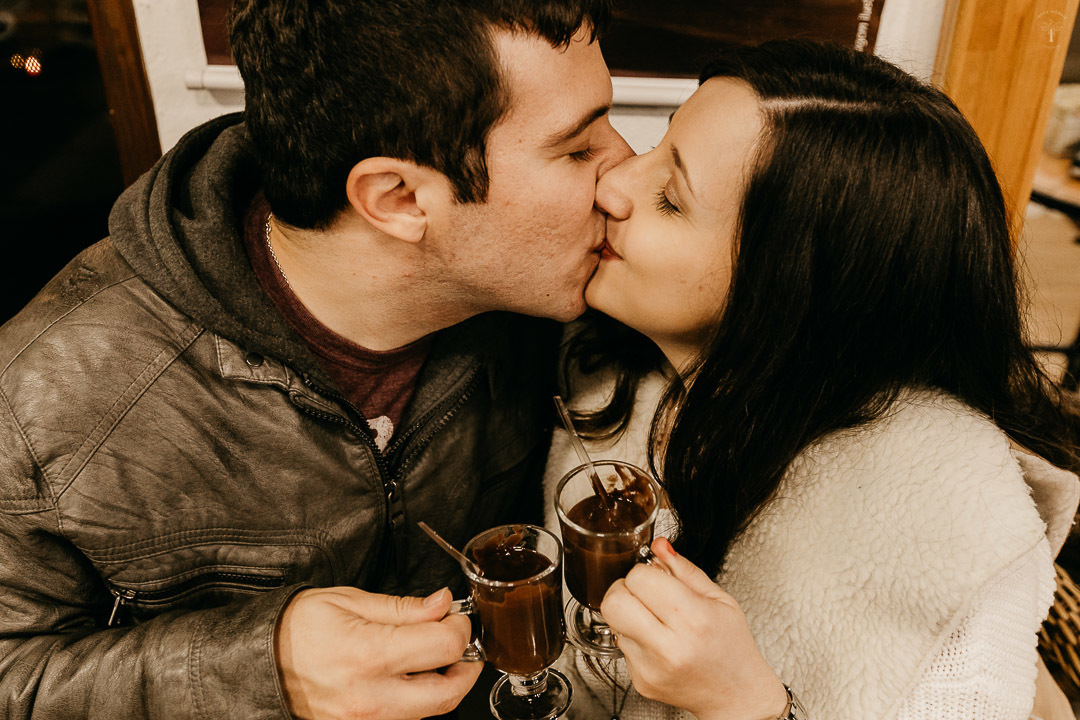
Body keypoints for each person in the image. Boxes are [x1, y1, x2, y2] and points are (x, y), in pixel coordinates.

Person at [0, 1, 633, 718]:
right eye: (579, 150)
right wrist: (260, 668)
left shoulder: (548, 301)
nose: (625, 175)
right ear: (396, 198)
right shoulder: (40, 398)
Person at [545, 40, 1080, 720]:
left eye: (671, 200)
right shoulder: (603, 361)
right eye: (657, 145)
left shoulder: (946, 529)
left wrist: (746, 704)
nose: (614, 184)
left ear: (786, 292)